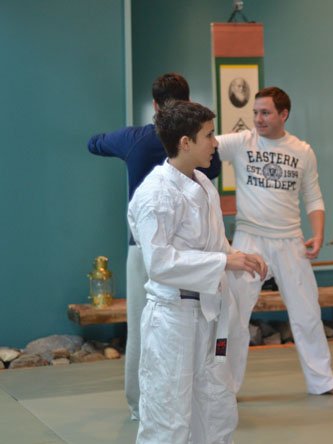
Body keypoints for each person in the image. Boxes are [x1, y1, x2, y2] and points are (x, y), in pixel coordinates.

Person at [127, 100, 267, 443]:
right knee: (169, 416)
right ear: (185, 142)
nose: (216, 143)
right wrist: (224, 262)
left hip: (208, 313)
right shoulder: (156, 194)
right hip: (172, 318)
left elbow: (215, 246)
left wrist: (239, 256)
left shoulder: (204, 185)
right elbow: (159, 263)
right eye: (208, 136)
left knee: (215, 407)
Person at [87, 73, 221, 421]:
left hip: (145, 251)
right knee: (190, 324)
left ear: (156, 105)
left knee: (144, 328)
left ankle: (140, 405)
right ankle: (174, 402)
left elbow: (95, 142)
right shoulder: (198, 155)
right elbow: (213, 167)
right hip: (187, 250)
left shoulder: (134, 139)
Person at [216, 86, 333, 398]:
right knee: (235, 315)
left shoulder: (302, 150)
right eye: (255, 112)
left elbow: (314, 197)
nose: (258, 118)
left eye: (265, 112)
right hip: (249, 239)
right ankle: (225, 386)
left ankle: (323, 381)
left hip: (290, 240)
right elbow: (204, 147)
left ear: (283, 114)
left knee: (307, 312)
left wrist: (318, 233)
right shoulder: (241, 142)